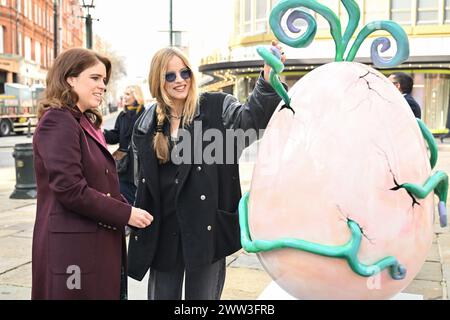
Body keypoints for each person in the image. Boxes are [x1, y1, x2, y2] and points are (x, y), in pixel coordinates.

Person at [127, 45, 286, 300]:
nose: (180, 81)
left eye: (185, 73)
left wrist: (266, 78)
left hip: (205, 227)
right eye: (170, 76)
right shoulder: (146, 121)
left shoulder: (216, 106)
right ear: (158, 80)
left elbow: (252, 120)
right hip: (163, 229)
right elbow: (140, 179)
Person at [31, 48, 153, 300]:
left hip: (90, 246)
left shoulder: (80, 120)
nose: (102, 86)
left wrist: (128, 209)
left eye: (104, 81)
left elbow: (100, 183)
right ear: (70, 79)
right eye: (95, 78)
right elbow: (70, 189)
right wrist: (126, 213)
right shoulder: (58, 121)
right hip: (73, 253)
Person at [104, 85, 145, 204]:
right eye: (124, 94)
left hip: (139, 163)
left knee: (138, 195)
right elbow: (116, 136)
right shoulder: (122, 115)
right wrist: (102, 133)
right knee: (124, 194)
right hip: (123, 165)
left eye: (127, 94)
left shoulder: (144, 113)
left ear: (136, 96)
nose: (124, 97)